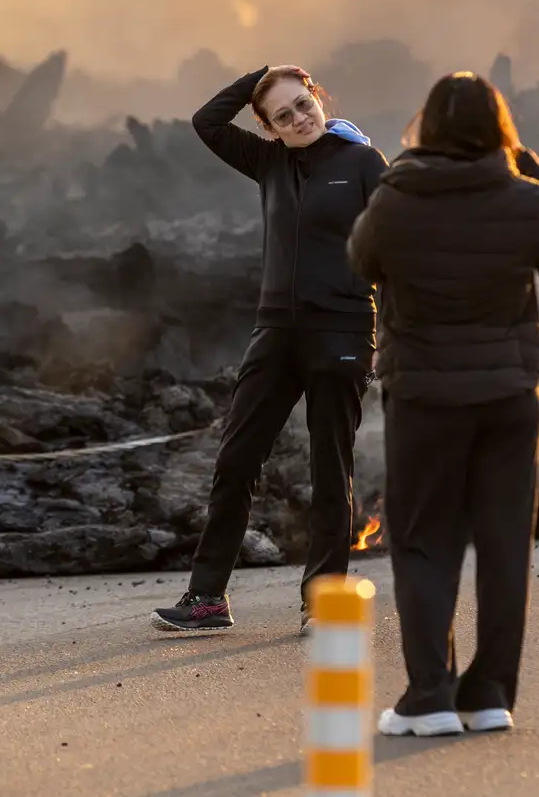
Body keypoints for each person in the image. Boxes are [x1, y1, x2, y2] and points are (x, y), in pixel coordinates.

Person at [346, 71, 539, 737]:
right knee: (505, 543)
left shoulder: (396, 197)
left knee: (425, 541)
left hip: (425, 395)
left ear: (427, 124)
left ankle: (430, 694)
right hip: (510, 396)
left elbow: (360, 260)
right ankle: (488, 694)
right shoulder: (520, 195)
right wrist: (537, 172)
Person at [151, 65, 388, 636]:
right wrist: (261, 74)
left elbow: (394, 248)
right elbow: (206, 121)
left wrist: (394, 333)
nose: (299, 118)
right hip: (275, 335)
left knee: (330, 469)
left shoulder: (364, 164)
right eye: (283, 116)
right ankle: (207, 599)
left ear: (317, 97)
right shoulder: (268, 162)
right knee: (236, 462)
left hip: (342, 333)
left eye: (304, 104)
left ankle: (324, 604)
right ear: (269, 128)